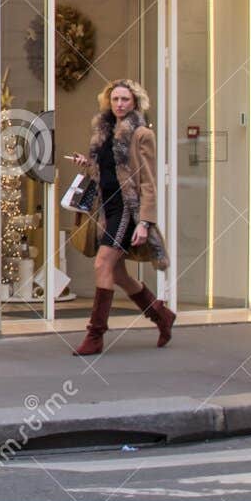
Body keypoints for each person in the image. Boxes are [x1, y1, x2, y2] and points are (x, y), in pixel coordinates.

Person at [63, 79, 175, 356]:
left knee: (102, 263)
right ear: (108, 102)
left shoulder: (141, 135)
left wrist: (145, 222)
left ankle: (95, 334)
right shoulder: (103, 132)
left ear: (135, 101)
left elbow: (148, 182)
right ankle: (161, 315)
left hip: (127, 207)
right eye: (115, 99)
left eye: (125, 99)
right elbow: (106, 171)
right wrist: (87, 164)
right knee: (118, 273)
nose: (120, 104)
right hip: (106, 207)